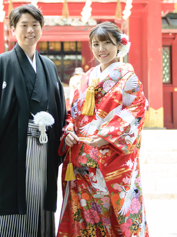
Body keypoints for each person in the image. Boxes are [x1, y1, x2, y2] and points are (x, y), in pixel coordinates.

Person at [0, 4, 66, 237]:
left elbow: (60, 108)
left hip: (43, 147)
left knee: (38, 200)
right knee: (7, 198)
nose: (30, 30)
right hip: (8, 149)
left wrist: (64, 139)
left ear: (42, 28)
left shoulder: (49, 67)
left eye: (35, 25)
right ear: (13, 29)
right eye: (24, 25)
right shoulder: (0, 63)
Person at [57, 22, 149, 237]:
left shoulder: (129, 79)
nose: (101, 49)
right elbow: (74, 113)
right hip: (82, 160)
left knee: (114, 214)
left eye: (107, 43)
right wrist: (68, 131)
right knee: (87, 216)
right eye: (96, 44)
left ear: (120, 45)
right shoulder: (85, 79)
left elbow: (137, 111)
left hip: (110, 158)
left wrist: (107, 136)